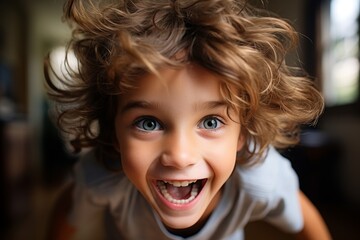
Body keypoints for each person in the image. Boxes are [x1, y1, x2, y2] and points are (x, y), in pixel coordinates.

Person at [45, 0, 331, 239]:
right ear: (114, 132)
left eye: (210, 122)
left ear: (243, 134)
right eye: (148, 123)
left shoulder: (262, 178)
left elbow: (308, 223)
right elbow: (65, 210)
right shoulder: (103, 177)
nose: (180, 157)